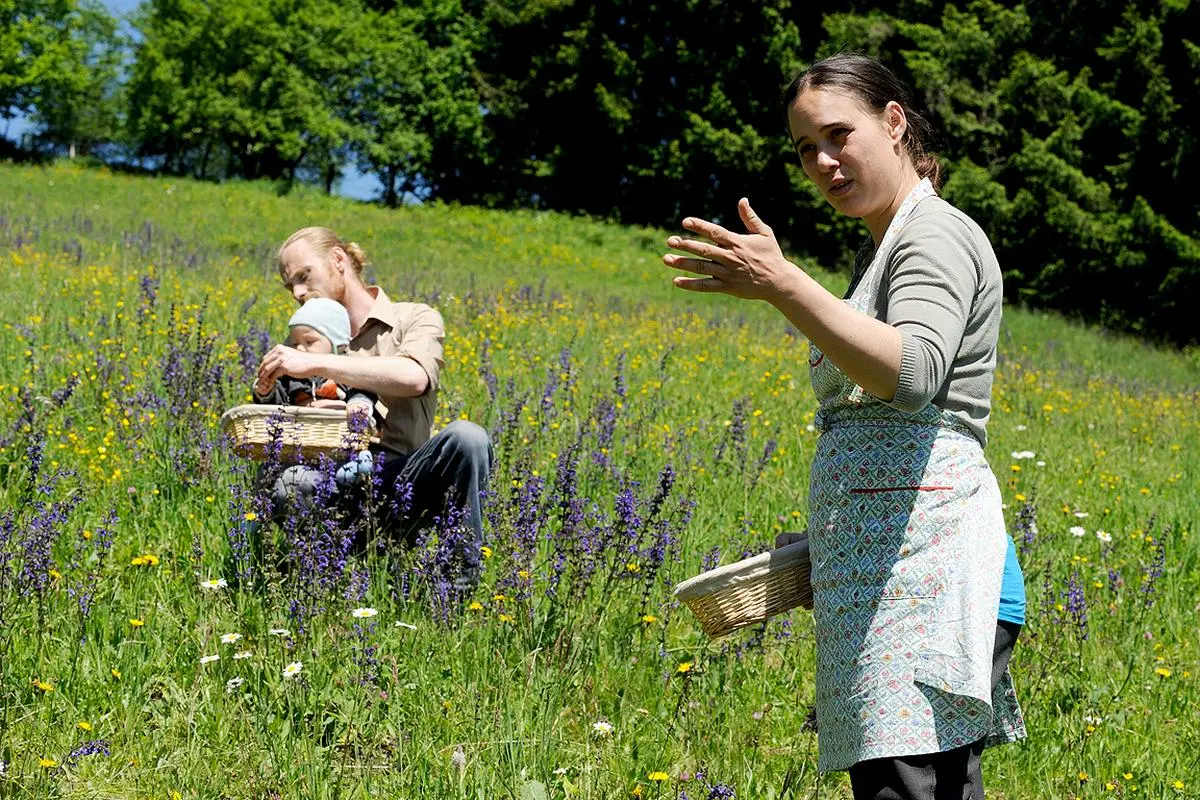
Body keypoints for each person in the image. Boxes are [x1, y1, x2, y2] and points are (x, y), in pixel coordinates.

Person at [662, 53, 1026, 799]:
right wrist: (829, 538)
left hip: (934, 575)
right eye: (805, 149)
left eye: (838, 135)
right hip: (894, 574)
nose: (823, 162)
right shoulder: (882, 250)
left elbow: (914, 375)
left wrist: (784, 284)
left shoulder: (936, 236)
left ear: (893, 124)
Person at [256, 227, 493, 591]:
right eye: (291, 287)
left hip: (404, 485)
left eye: (304, 276)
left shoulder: (413, 318)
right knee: (290, 484)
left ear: (338, 261)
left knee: (468, 438)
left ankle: (455, 597)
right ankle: (318, 599)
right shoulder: (304, 340)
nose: (299, 293)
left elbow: (414, 377)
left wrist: (323, 366)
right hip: (330, 487)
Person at [252, 297, 379, 496]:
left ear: (337, 345)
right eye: (294, 343)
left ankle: (358, 469)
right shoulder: (290, 377)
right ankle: (254, 516)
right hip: (298, 445)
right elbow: (277, 405)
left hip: (339, 442)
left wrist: (358, 403)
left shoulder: (344, 373)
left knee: (349, 456)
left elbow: (363, 389)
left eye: (309, 342)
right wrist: (266, 391)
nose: (300, 349)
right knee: (267, 472)